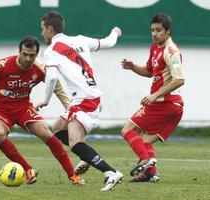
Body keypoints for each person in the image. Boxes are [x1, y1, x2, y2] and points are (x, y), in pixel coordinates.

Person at [0, 36, 85, 185]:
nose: (27, 58)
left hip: (23, 108)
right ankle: (27, 170)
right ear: (19, 52)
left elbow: (56, 85)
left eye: (32, 55)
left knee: (46, 133)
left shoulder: (40, 70)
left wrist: (69, 106)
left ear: (36, 55)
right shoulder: (2, 65)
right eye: (24, 54)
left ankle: (73, 175)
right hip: (0, 110)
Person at [35, 11, 123, 191]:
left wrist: (45, 100)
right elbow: (109, 42)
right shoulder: (81, 40)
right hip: (89, 97)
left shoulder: (51, 50)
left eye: (43, 29)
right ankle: (87, 157)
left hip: (85, 100)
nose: (42, 33)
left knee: (75, 143)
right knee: (58, 128)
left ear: (50, 29)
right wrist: (115, 32)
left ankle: (111, 173)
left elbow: (51, 78)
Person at [120, 13, 185, 182]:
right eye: (152, 30)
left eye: (158, 30)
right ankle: (151, 173)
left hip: (165, 103)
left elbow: (180, 79)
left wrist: (155, 95)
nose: (154, 34)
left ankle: (146, 161)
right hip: (172, 107)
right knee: (144, 141)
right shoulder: (155, 47)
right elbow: (150, 72)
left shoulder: (172, 52)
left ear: (168, 31)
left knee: (128, 130)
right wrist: (133, 67)